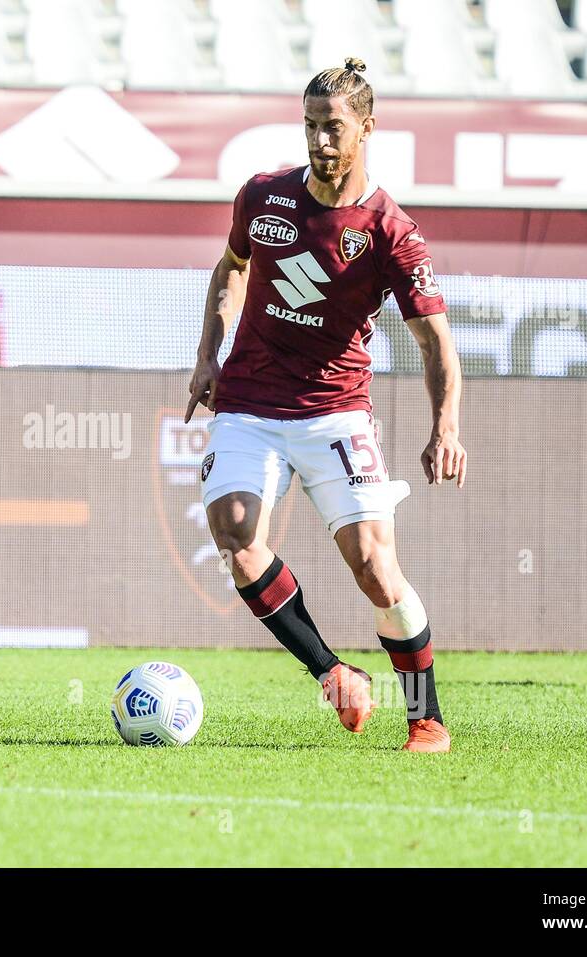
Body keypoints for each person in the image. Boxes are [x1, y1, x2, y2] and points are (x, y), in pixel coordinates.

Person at [186, 59, 467, 752]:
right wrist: (206, 356)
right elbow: (231, 268)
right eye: (310, 125)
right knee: (237, 538)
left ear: (367, 128)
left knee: (375, 567)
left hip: (335, 409)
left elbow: (435, 343)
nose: (319, 140)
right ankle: (334, 673)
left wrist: (446, 427)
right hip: (250, 401)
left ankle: (426, 716)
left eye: (333, 127)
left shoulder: (392, 232)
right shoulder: (262, 196)